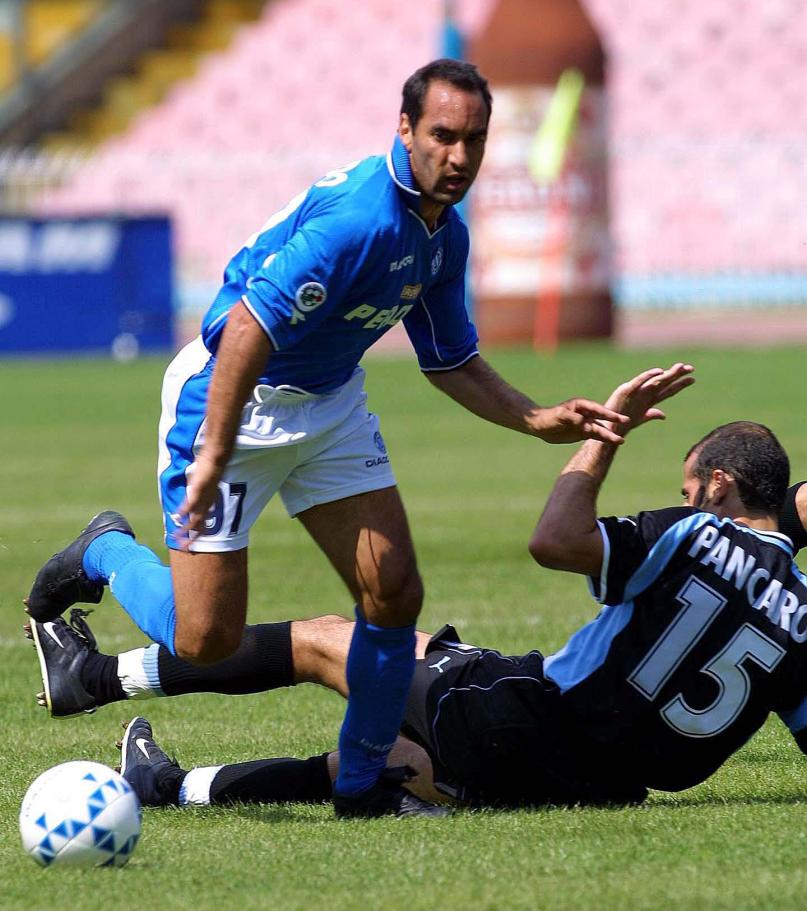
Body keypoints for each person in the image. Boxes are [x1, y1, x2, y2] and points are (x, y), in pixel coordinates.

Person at [24, 59, 633, 819]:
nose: (460, 156)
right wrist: (213, 448)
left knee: (393, 591)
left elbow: (449, 360)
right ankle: (105, 549)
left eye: (474, 140)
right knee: (203, 635)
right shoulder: (359, 220)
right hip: (230, 405)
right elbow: (245, 325)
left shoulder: (444, 234)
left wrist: (537, 419)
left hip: (330, 405)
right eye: (443, 136)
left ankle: (362, 784)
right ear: (405, 129)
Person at [47, 364, 807, 811]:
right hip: (600, 786)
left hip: (521, 717)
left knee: (325, 642)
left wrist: (599, 438)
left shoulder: (694, 531)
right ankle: (167, 784)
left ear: (716, 485)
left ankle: (97, 674)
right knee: (381, 764)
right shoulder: (801, 620)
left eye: (685, 483)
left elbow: (553, 541)